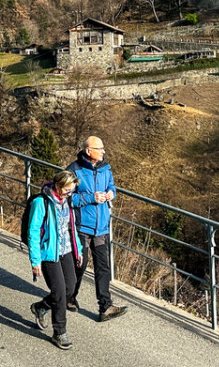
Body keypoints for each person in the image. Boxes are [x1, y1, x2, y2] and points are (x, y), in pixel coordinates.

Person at [67, 136, 128, 322]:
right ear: (88, 151)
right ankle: (69, 297)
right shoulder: (73, 170)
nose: (103, 151)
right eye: (99, 148)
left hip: (101, 227)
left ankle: (105, 306)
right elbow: (67, 197)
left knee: (103, 267)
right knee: (80, 265)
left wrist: (111, 194)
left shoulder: (105, 168)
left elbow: (112, 186)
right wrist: (90, 198)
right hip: (81, 227)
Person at [27, 170, 82, 350]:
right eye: (67, 190)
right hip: (49, 253)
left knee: (70, 289)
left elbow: (71, 227)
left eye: (72, 190)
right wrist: (35, 260)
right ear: (58, 186)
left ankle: (41, 307)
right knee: (59, 293)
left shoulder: (67, 201)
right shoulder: (41, 202)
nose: (69, 194)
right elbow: (33, 232)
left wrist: (78, 249)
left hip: (66, 250)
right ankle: (59, 332)